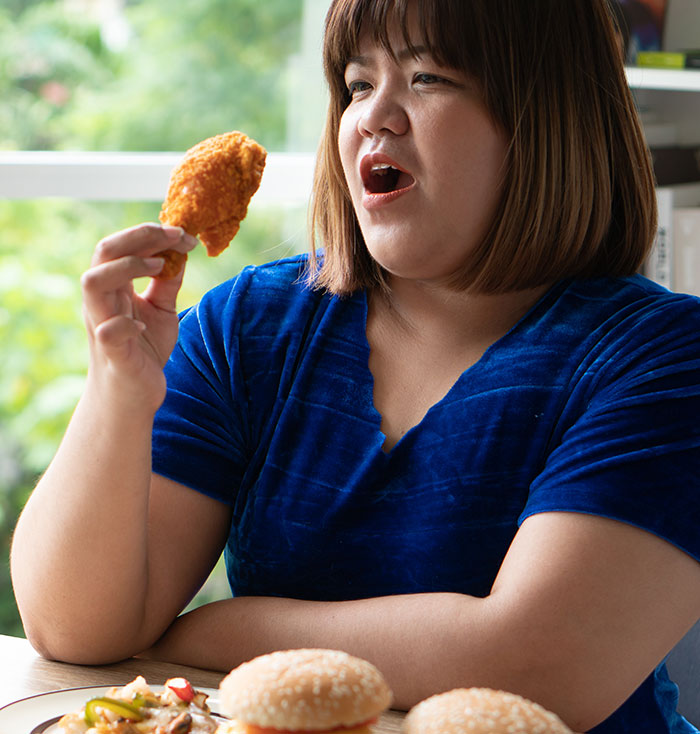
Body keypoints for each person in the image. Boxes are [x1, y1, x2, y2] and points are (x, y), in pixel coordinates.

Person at [10, 1, 700, 732]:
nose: (375, 115)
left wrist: (209, 631)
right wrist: (118, 392)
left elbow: (542, 664)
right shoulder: (251, 324)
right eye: (357, 82)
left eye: (429, 76)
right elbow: (74, 629)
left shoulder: (663, 356)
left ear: (548, 117)